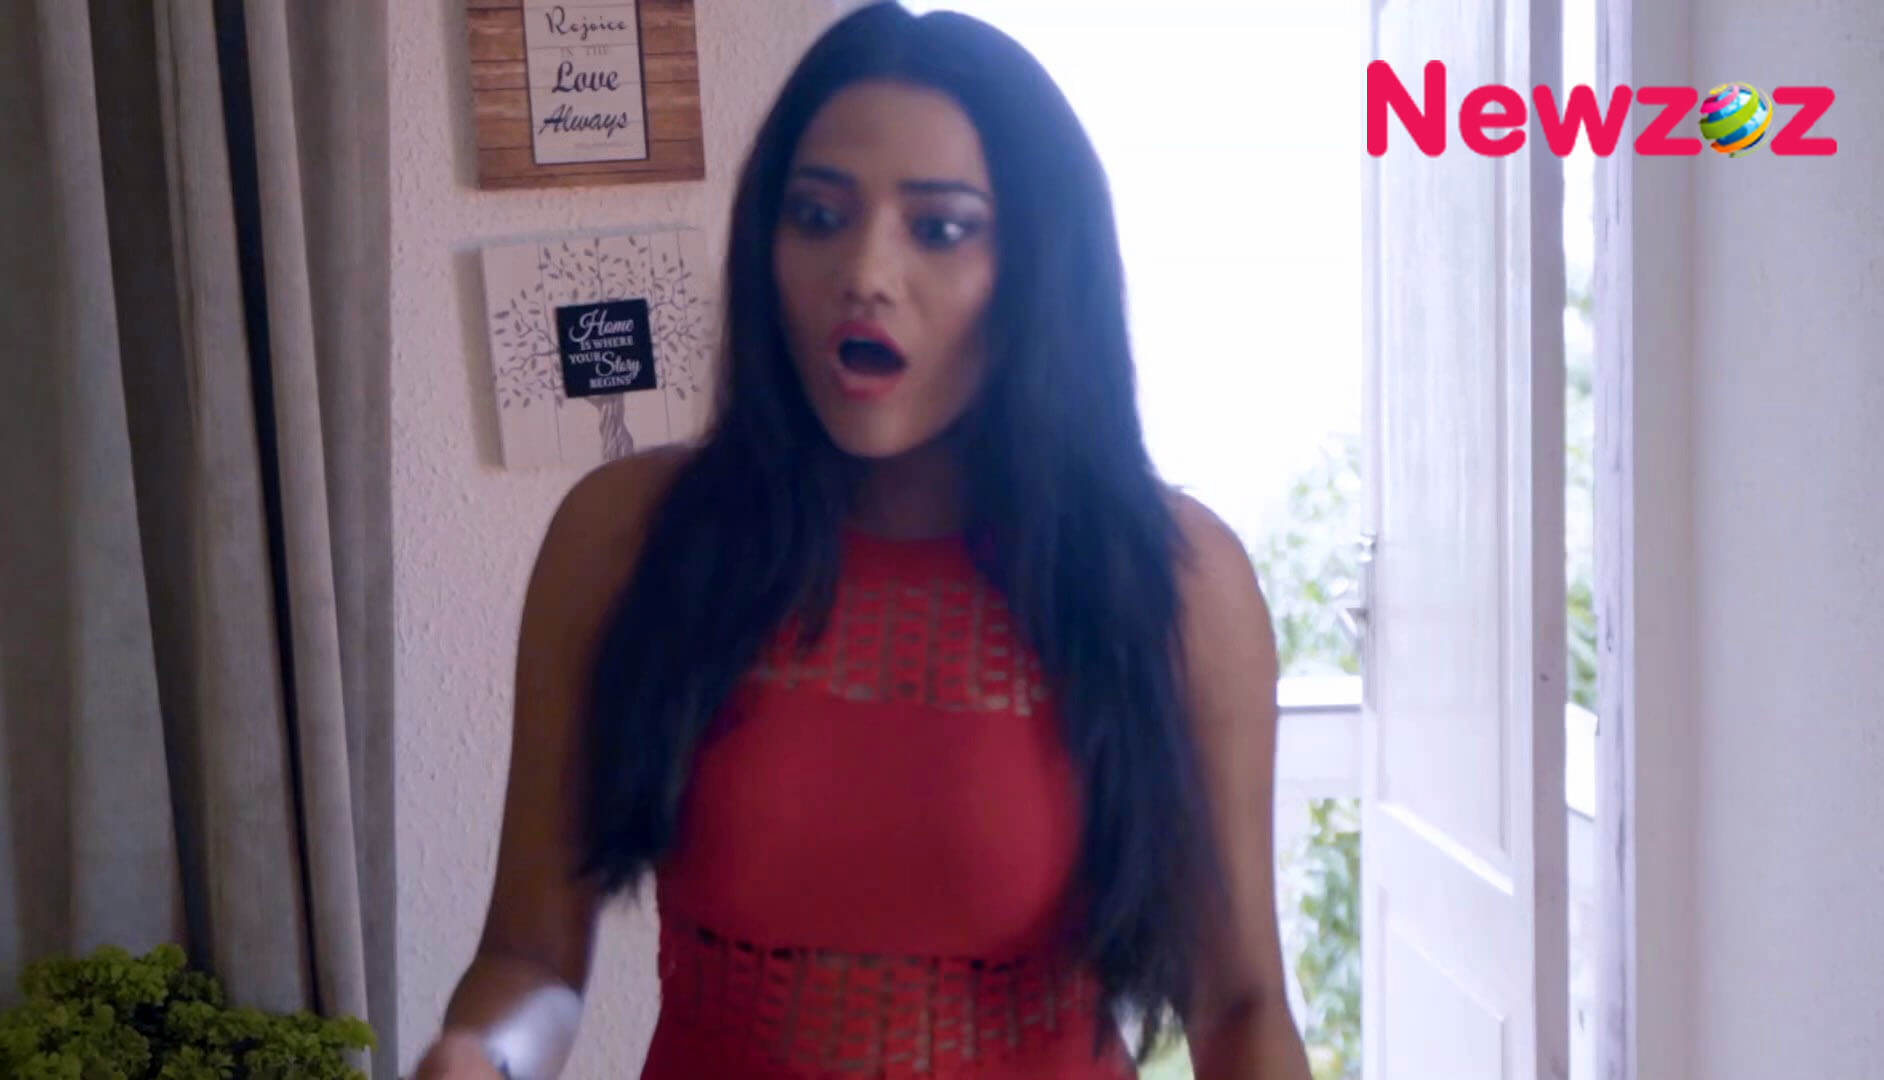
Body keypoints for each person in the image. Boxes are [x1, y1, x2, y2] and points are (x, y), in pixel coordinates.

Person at [414, 4, 1312, 1077]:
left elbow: (1239, 1004)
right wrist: (486, 1057)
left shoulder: (1178, 581)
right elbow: (529, 957)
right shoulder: (621, 537)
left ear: (1037, 267)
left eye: (940, 229)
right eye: (818, 215)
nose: (865, 272)